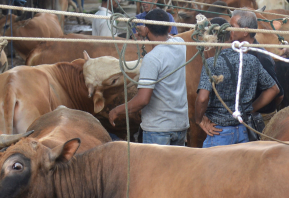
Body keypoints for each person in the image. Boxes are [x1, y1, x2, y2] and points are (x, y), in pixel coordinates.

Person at [194, 10, 279, 147]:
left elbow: (203, 98)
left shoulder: (212, 63)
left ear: (215, 38)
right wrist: (249, 109)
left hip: (219, 133)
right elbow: (274, 89)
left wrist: (199, 120)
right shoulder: (252, 60)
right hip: (243, 130)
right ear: (231, 35)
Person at [108, 8, 189, 146]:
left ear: (147, 30)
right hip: (180, 125)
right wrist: (146, 31)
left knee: (154, 168)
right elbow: (167, 38)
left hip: (158, 130)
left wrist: (117, 110)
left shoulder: (152, 59)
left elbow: (143, 100)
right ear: (170, 28)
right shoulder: (181, 45)